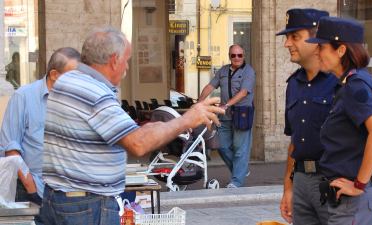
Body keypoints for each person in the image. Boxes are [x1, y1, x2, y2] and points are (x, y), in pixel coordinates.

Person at [40, 27, 224, 225]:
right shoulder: (95, 94)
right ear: (114, 60)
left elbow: (134, 133)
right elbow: (138, 144)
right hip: (86, 206)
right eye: (126, 60)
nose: (127, 68)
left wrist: (175, 121)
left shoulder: (68, 80)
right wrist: (186, 120)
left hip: (58, 198)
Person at [306, 16, 372, 225]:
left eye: (322, 47)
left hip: (355, 204)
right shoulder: (360, 81)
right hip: (360, 202)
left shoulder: (355, 86)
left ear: (341, 50)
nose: (317, 52)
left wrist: (360, 184)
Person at [0, 47, 81, 225]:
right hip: (32, 191)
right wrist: (31, 187)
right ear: (54, 75)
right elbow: (9, 147)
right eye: (73, 76)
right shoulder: (24, 97)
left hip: (69, 194)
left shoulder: (75, 100)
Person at [276, 8, 336, 225]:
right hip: (301, 180)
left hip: (333, 181)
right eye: (287, 38)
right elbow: (294, 142)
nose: (287, 44)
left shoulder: (343, 81)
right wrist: (288, 187)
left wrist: (361, 184)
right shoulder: (293, 84)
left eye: (295, 37)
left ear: (317, 38)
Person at [198, 44, 255, 188]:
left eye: (239, 55)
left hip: (242, 113)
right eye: (233, 55)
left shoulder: (249, 71)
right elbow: (210, 86)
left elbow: (244, 92)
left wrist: (227, 105)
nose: (236, 58)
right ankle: (241, 170)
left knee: (240, 149)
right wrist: (199, 103)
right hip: (225, 116)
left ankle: (236, 181)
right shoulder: (223, 71)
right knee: (221, 145)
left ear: (244, 56)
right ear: (229, 56)